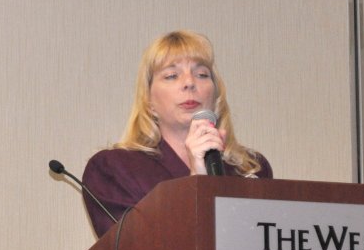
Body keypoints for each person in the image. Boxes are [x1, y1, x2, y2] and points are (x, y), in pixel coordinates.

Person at [82, 30, 273, 237]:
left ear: (216, 97)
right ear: (149, 102)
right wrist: (197, 180)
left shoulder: (251, 168)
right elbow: (132, 249)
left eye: (202, 74)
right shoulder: (114, 169)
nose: (189, 83)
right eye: (171, 76)